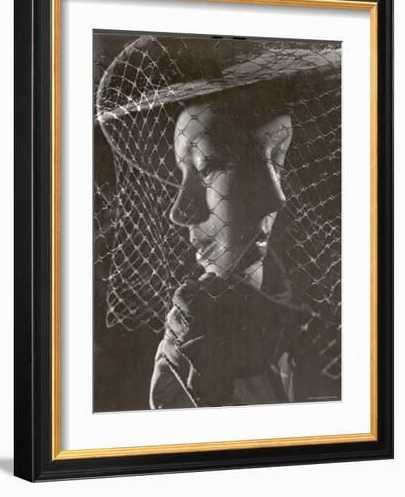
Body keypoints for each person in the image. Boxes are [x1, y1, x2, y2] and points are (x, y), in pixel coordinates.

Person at [96, 34, 341, 411]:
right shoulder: (190, 342)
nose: (179, 212)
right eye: (182, 174)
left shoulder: (342, 325)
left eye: (208, 167)